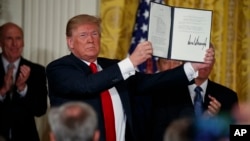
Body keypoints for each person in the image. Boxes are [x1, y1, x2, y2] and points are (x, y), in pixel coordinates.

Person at [46, 14, 215, 141]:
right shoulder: (59, 68)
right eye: (83, 35)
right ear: (70, 42)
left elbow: (151, 82)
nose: (90, 40)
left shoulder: (113, 66)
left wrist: (192, 67)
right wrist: (131, 61)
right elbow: (87, 85)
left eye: (95, 34)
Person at [150, 44, 238, 141]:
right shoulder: (165, 94)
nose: (203, 63)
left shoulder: (228, 96)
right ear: (186, 62)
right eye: (198, 58)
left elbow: (238, 134)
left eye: (208, 59)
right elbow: (155, 134)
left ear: (214, 63)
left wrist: (217, 122)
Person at [0, 22, 48, 141]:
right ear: (0, 42)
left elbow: (40, 110)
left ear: (23, 42)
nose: (14, 44)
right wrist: (2, 91)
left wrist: (23, 89)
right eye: (9, 38)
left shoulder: (37, 71)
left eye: (18, 38)